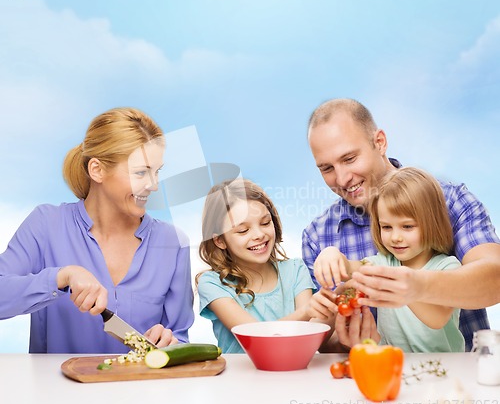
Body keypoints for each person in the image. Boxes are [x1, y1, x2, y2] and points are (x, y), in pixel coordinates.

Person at [303, 98, 500, 351]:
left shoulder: (449, 200)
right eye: (327, 168)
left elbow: (495, 278)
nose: (342, 178)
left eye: (350, 158)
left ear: (380, 142)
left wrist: (419, 286)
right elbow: (320, 337)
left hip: (459, 379)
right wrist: (345, 344)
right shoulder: (317, 235)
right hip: (376, 375)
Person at [0, 107, 194, 353]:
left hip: (143, 390)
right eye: (141, 172)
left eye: (157, 172)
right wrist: (61, 277)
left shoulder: (173, 243)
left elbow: (180, 337)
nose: (153, 185)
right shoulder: (46, 224)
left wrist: (170, 341)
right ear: (97, 170)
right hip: (56, 391)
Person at [314, 167, 465, 352]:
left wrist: (404, 285)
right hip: (392, 365)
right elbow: (350, 268)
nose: (395, 237)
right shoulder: (383, 263)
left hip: (440, 368)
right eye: (386, 227)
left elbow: (438, 318)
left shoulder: (448, 267)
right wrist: (331, 254)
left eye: (407, 226)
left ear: (432, 222)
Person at [197, 178, 337, 353]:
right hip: (239, 379)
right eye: (243, 230)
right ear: (219, 241)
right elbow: (255, 338)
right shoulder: (213, 284)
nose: (259, 235)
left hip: (294, 374)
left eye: (265, 223)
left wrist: (334, 302)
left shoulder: (295, 270)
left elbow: (310, 333)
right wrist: (308, 311)